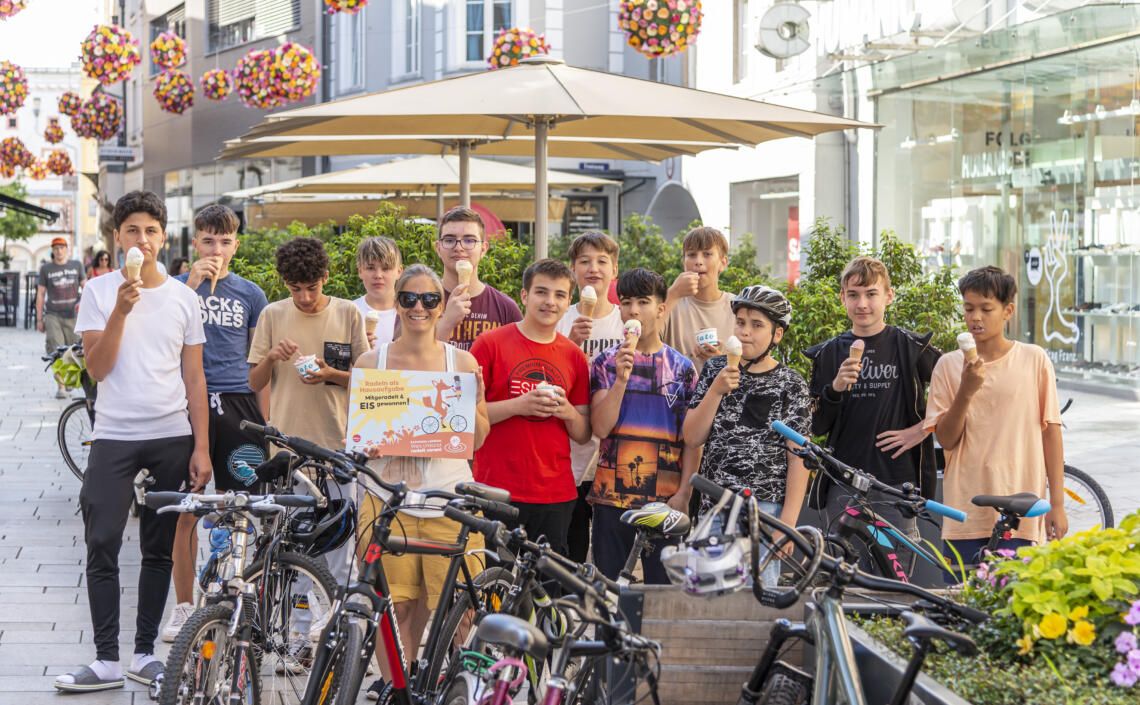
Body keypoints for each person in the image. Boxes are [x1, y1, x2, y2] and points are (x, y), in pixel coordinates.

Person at [54, 191, 210, 692]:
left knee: (158, 547)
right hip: (113, 435)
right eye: (131, 231)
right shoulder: (99, 291)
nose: (140, 239)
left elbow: (195, 379)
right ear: (117, 239)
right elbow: (97, 369)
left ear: (163, 238)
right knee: (101, 540)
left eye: (150, 231)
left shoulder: (185, 298)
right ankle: (105, 660)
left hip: (171, 434)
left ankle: (145, 653)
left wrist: (201, 446)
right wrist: (121, 309)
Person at [353, 264, 490, 699]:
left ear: (442, 304)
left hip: (450, 497)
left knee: (457, 607)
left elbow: (479, 437)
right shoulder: (369, 361)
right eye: (409, 298)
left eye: (430, 299)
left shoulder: (461, 362)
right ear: (396, 303)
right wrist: (365, 444)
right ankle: (402, 685)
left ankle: (452, 684)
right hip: (386, 499)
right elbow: (362, 434)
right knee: (395, 605)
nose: (419, 307)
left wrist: (474, 400)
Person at [161, 204, 271, 642]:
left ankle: (236, 596)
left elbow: (260, 363)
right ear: (195, 244)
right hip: (184, 401)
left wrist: (267, 421)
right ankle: (183, 606)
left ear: (236, 245)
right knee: (187, 508)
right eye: (209, 240)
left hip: (238, 404)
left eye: (225, 241)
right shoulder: (173, 289)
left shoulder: (250, 294)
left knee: (240, 507)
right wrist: (187, 287)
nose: (217, 249)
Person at [248, 237, 370, 593]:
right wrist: (271, 357)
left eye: (312, 288)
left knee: (341, 547)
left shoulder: (348, 313)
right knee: (292, 547)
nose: (304, 297)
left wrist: (330, 373)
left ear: (326, 278)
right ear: (284, 283)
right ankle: (298, 635)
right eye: (295, 288)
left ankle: (340, 625)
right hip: (288, 450)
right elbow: (254, 381)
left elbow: (367, 380)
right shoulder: (273, 314)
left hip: (338, 445)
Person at [924, 266, 1067, 566]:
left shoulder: (1034, 359)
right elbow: (946, 439)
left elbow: (1050, 433)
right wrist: (966, 389)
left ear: (1008, 310)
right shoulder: (948, 366)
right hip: (965, 512)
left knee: (1018, 606)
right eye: (969, 308)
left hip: (1023, 511)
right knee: (961, 605)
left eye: (986, 308)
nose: (976, 317)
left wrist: (1057, 504)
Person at [803, 257, 941, 561]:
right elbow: (815, 426)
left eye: (871, 294)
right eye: (853, 295)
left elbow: (958, 389)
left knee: (897, 575)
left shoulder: (910, 346)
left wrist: (922, 429)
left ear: (888, 296)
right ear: (842, 298)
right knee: (845, 576)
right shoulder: (828, 353)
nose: (862, 303)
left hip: (897, 483)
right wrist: (836, 387)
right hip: (844, 482)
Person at [681, 285, 811, 586]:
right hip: (715, 506)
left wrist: (788, 523)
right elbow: (692, 437)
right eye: (740, 322)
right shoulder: (715, 369)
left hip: (765, 512)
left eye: (757, 325)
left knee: (758, 598)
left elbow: (799, 459)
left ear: (777, 334)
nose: (745, 332)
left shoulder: (790, 383)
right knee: (711, 596)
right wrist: (715, 390)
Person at [471, 259, 591, 556]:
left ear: (568, 304)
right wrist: (518, 405)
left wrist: (567, 412)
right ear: (524, 296)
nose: (550, 302)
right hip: (495, 490)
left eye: (560, 295)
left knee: (546, 592)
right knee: (493, 588)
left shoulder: (574, 356)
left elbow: (584, 433)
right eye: (541, 292)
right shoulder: (489, 344)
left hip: (555, 494)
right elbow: (465, 419)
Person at [587, 268, 696, 583]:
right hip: (611, 500)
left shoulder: (683, 369)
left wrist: (684, 494)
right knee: (609, 593)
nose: (633, 310)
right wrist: (621, 379)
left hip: (664, 501)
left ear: (661, 308)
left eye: (643, 302)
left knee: (663, 596)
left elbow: (691, 440)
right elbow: (601, 428)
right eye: (626, 302)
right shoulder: (605, 363)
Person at [554, 230, 624, 563]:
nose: (593, 268)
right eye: (584, 261)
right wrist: (570, 342)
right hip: (571, 452)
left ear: (615, 270)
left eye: (602, 261)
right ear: (573, 269)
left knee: (611, 549)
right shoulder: (559, 316)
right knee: (572, 541)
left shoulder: (626, 321)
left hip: (614, 451)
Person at [434, 206, 522, 351]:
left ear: (483, 249)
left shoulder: (506, 308)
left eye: (469, 240)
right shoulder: (418, 302)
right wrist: (446, 323)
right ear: (438, 248)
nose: (459, 247)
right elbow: (406, 361)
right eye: (449, 240)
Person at [661, 226, 735, 375]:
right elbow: (643, 340)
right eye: (692, 254)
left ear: (723, 263)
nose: (698, 262)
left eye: (707, 254)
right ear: (684, 262)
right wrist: (673, 294)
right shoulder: (670, 302)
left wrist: (720, 363)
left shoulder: (737, 307)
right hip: (676, 396)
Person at [37, 236, 87, 398]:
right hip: (53, 315)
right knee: (55, 348)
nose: (58, 251)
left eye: (61, 248)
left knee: (73, 350)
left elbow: (86, 289)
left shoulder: (76, 265)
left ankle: (69, 380)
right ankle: (61, 387)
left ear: (67, 249)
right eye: (55, 248)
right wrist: (39, 319)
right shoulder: (46, 269)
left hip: (73, 314)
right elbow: (41, 293)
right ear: (52, 250)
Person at [353, 236, 402, 349]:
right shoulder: (350, 312)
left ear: (399, 272)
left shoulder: (410, 313)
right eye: (371, 268)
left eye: (386, 268)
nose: (378, 275)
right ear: (360, 271)